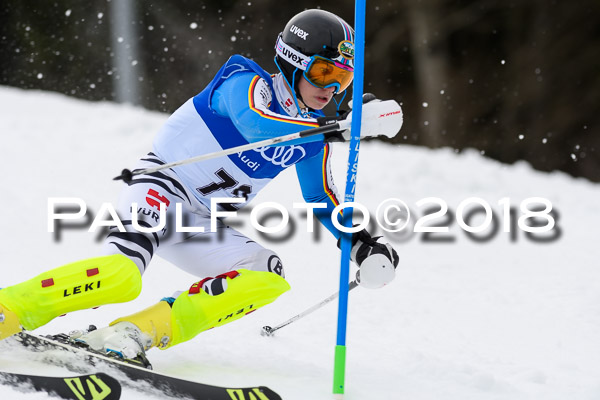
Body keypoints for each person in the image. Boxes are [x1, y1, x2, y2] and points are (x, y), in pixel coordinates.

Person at [0, 9, 399, 362]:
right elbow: (259, 125)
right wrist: (337, 130)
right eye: (324, 72)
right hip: (160, 187)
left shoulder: (313, 135)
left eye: (342, 79)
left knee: (267, 273)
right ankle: (8, 308)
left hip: (196, 221)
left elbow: (320, 199)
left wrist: (362, 242)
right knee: (122, 277)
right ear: (294, 63)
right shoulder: (243, 82)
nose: (331, 88)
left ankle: (135, 332)